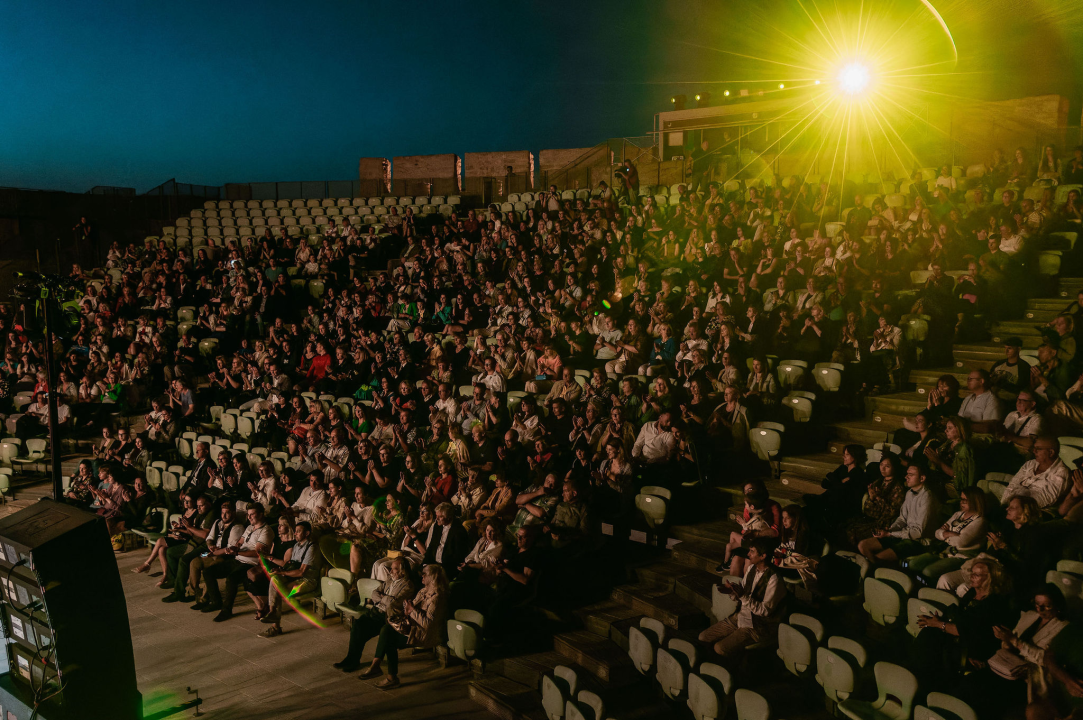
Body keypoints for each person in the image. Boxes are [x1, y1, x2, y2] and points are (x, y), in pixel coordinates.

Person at [954, 584, 1070, 717]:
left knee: (986, 695)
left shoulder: (1062, 628)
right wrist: (1006, 640)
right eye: (1037, 604)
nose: (1040, 609)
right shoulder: (1030, 615)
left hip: (1027, 676)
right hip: (1006, 665)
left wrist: (1015, 641)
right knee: (969, 683)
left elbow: (1044, 659)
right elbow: (1009, 644)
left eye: (1046, 605)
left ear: (1058, 606)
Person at [356, 564, 448, 689]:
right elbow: (410, 609)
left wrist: (412, 610)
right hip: (413, 627)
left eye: (425, 574)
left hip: (424, 633)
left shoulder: (437, 597)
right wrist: (406, 609)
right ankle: (378, 667)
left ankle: (387, 674)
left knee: (388, 638)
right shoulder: (423, 591)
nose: (422, 576)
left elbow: (428, 624)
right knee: (386, 629)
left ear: (433, 577)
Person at [698, 537, 786, 659]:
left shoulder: (774, 579)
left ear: (763, 556)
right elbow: (740, 596)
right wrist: (732, 592)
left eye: (752, 551)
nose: (748, 554)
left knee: (720, 648)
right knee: (703, 637)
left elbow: (765, 611)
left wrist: (742, 596)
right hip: (740, 616)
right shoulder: (751, 569)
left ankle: (734, 669)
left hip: (757, 625)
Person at [333, 556, 415, 673]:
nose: (391, 572)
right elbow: (374, 593)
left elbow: (394, 604)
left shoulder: (408, 586)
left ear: (402, 571)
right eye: (391, 568)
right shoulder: (389, 580)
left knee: (366, 629)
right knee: (358, 625)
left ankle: (367, 664)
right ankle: (351, 659)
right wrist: (384, 598)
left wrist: (382, 598)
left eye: (394, 569)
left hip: (387, 616)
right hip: (376, 611)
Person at [857, 464, 939, 564]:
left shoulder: (927, 497)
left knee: (878, 558)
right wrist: (890, 529)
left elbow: (918, 532)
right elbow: (902, 519)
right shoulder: (909, 493)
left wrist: (890, 534)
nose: (906, 477)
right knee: (862, 545)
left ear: (922, 478)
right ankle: (873, 568)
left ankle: (874, 570)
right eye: (907, 474)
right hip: (903, 534)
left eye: (911, 474)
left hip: (918, 541)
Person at [258, 520, 320, 637]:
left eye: (298, 531)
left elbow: (302, 572)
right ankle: (272, 613)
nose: (295, 533)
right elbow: (291, 565)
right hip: (294, 577)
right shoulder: (296, 545)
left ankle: (275, 627)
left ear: (307, 533)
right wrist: (279, 571)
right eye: (295, 531)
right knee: (274, 579)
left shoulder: (312, 548)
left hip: (308, 581)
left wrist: (284, 573)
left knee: (278, 589)